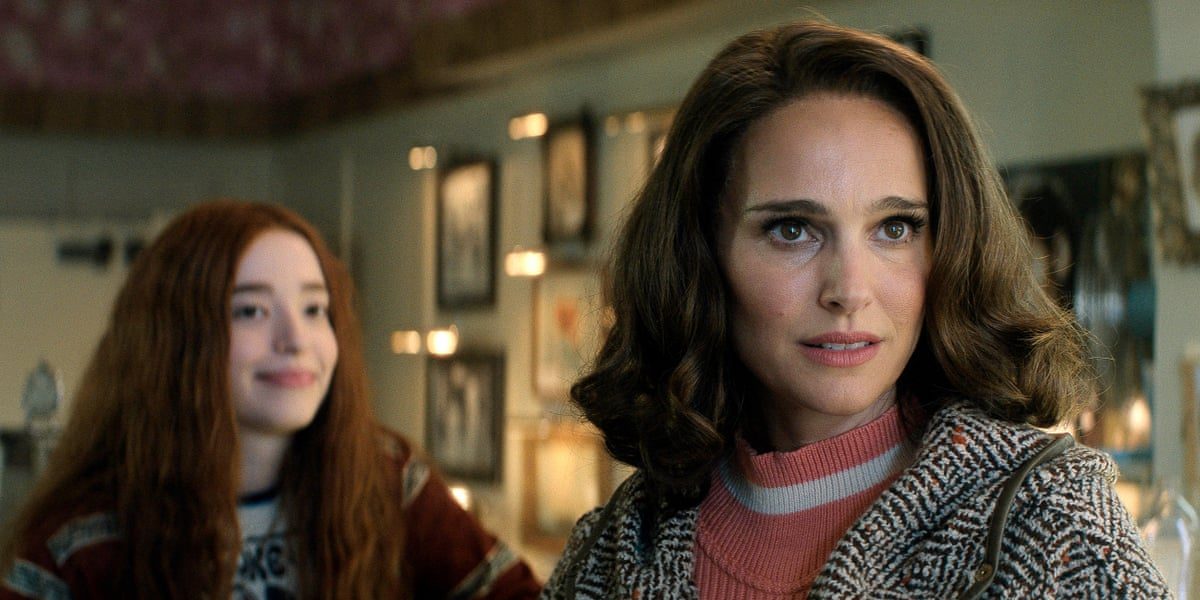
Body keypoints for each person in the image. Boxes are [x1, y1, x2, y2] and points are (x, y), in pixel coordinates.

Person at [541, 21, 1169, 599]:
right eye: (792, 229)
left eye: (895, 228)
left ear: (948, 249)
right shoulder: (611, 550)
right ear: (701, 254)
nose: (849, 290)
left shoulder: (1053, 526)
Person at [0, 200, 541, 599]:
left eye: (314, 309)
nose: (296, 340)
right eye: (251, 311)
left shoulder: (386, 478)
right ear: (174, 342)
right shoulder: (80, 539)